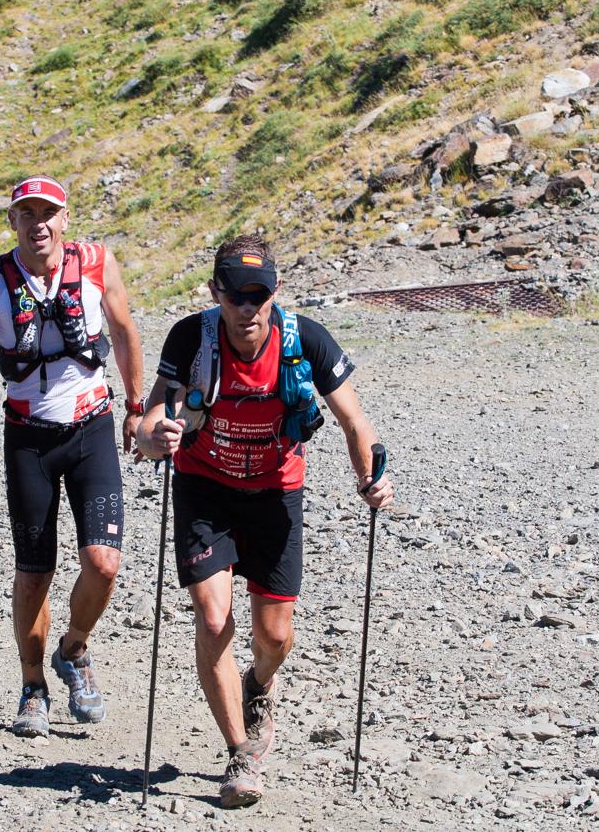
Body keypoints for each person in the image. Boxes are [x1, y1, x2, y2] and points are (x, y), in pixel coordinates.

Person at [136, 234, 392, 808]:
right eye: (235, 295)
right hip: (205, 488)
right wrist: (154, 435)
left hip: (277, 492)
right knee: (213, 616)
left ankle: (258, 684)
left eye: (259, 294)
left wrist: (369, 478)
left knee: (274, 638)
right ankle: (240, 751)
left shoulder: (307, 340)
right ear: (215, 292)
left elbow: (354, 422)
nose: (248, 308)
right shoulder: (192, 337)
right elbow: (151, 418)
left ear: (274, 291)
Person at [0, 174, 145, 738]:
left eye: (48, 213)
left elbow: (126, 331)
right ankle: (32, 684)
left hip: (92, 428)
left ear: (65, 219)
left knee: (104, 562)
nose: (38, 224)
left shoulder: (97, 262)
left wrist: (135, 407)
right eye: (26, 215)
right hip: (27, 437)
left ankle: (74, 650)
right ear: (12, 222)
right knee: (34, 573)